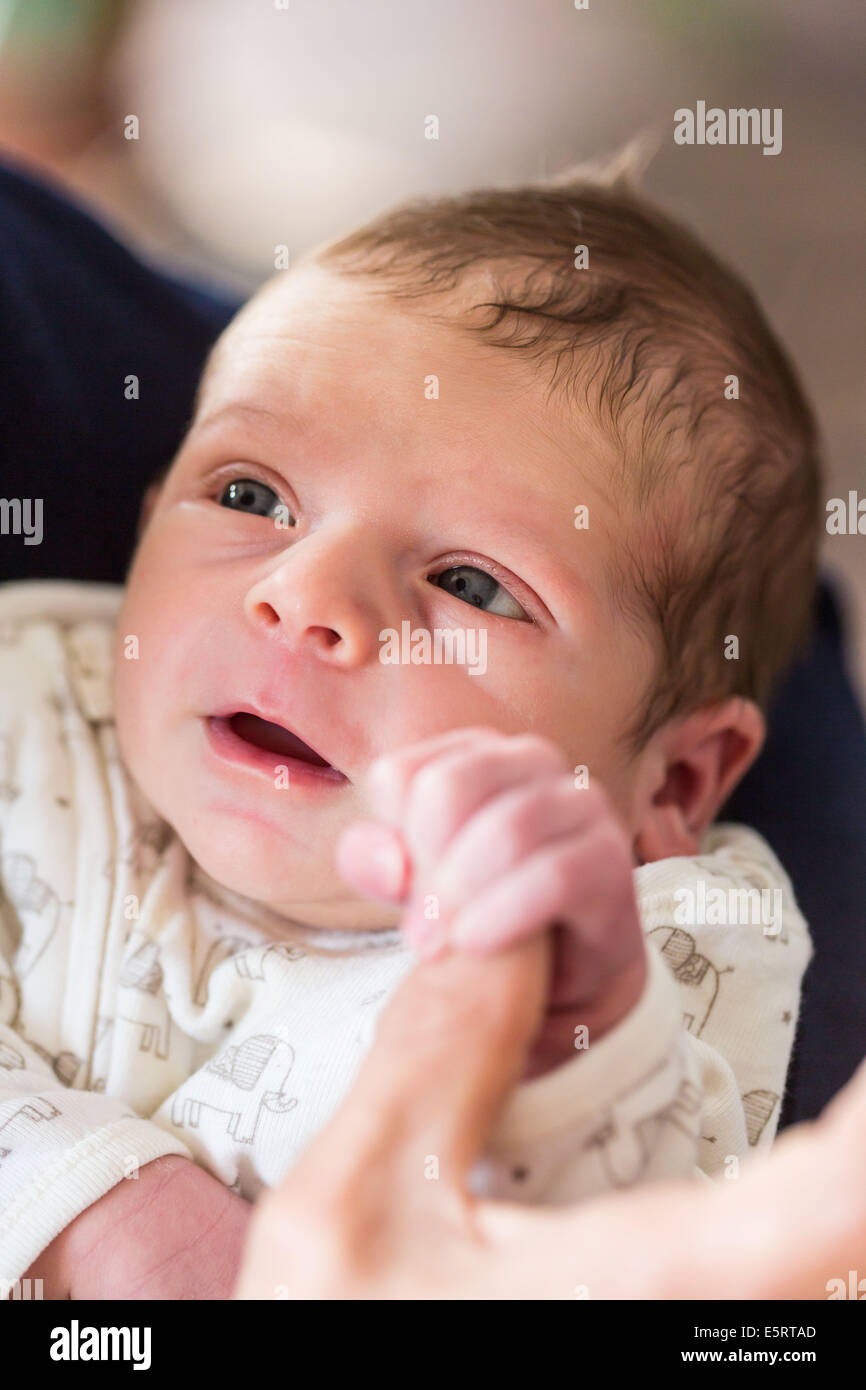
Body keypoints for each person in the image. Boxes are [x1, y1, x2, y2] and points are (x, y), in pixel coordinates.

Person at [0, 160, 836, 1298]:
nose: (302, 597)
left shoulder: (641, 947)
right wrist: (89, 1204)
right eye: (249, 497)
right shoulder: (34, 696)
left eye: (471, 585)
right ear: (147, 524)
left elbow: (619, 1251)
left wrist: (562, 1070)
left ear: (676, 782)